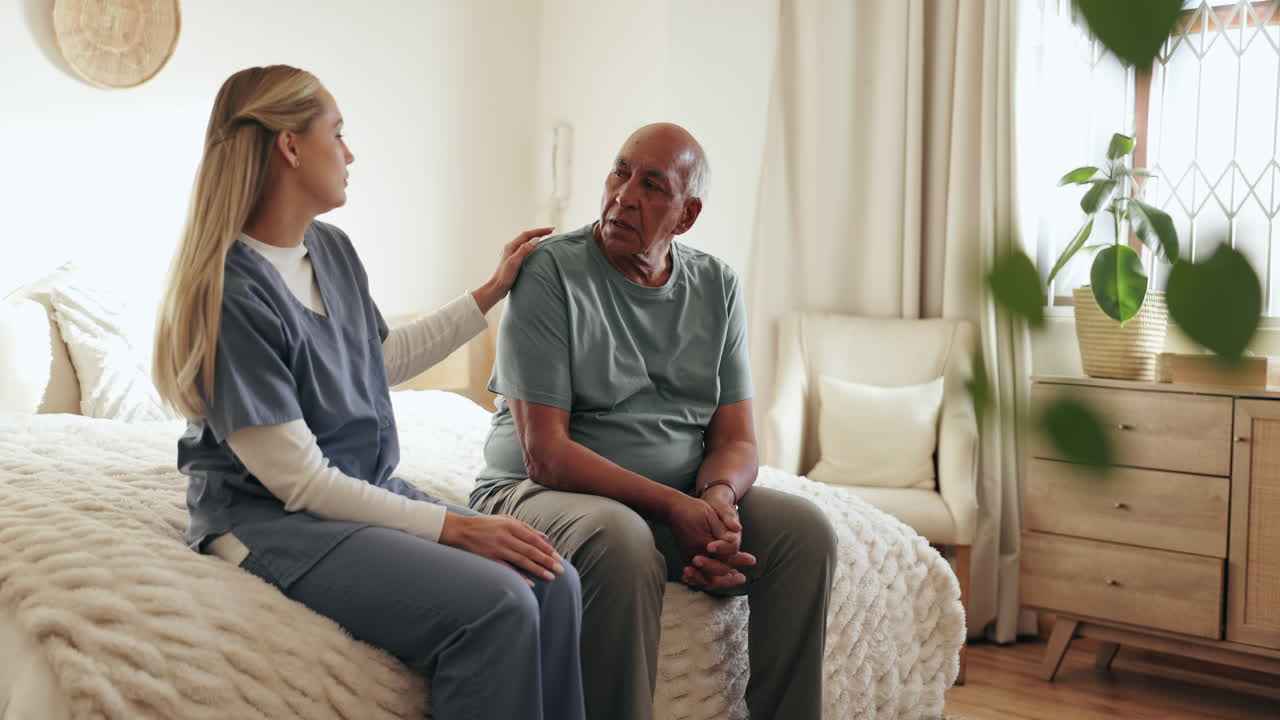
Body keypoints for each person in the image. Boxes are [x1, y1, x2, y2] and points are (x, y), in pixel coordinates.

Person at [152, 65, 585, 720]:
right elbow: (300, 485)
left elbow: (375, 360)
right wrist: (456, 529)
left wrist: (491, 290)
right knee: (498, 605)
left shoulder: (330, 250)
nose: (350, 152)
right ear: (291, 147)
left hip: (352, 488)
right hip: (267, 519)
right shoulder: (233, 293)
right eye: (338, 131)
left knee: (554, 579)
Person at [469, 122, 838, 720]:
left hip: (676, 497)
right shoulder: (550, 273)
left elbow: (737, 438)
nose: (623, 195)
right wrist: (675, 509)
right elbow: (547, 455)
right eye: (619, 172)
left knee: (805, 533)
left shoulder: (716, 285)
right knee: (622, 540)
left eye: (651, 185)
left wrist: (716, 502)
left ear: (686, 215)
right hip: (540, 493)